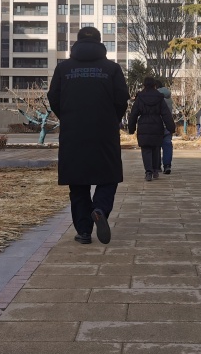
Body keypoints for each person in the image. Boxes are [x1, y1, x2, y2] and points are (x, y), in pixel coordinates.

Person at [48, 26, 129, 245]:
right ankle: (100, 208)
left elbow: (53, 97)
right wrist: (111, 119)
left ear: (77, 42)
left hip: (73, 133)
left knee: (78, 183)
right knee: (109, 176)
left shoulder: (63, 68)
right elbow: (122, 98)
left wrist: (68, 117)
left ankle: (84, 231)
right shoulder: (112, 69)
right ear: (100, 43)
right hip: (104, 133)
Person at [129, 77, 176, 181]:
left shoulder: (140, 97)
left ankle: (148, 172)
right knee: (156, 149)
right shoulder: (159, 97)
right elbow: (166, 114)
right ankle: (155, 170)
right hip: (157, 125)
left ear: (144, 85)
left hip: (143, 125)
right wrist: (171, 127)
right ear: (155, 85)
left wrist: (131, 128)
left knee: (146, 149)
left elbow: (133, 114)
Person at [154, 79, 174, 174]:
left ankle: (157, 166)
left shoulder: (155, 97)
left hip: (156, 125)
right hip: (167, 124)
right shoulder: (169, 98)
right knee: (167, 145)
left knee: (156, 146)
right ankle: (167, 165)